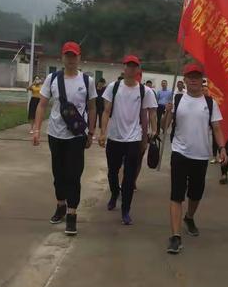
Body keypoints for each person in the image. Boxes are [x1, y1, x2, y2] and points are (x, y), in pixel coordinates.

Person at [32, 41, 97, 236]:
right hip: (55, 134)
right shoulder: (52, 78)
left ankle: (72, 214)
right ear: (62, 57)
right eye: (67, 55)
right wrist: (36, 129)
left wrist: (91, 132)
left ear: (79, 57)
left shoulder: (87, 81)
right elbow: (42, 105)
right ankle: (60, 205)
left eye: (74, 55)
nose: (70, 59)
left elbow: (93, 107)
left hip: (76, 136)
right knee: (58, 174)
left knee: (74, 175)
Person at [164, 64, 226, 254]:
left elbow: (216, 128)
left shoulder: (210, 103)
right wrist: (167, 112)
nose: (193, 79)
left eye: (197, 76)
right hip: (179, 153)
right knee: (176, 194)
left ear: (202, 80)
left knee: (196, 194)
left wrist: (222, 148)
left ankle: (189, 217)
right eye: (190, 76)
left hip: (201, 155)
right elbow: (164, 126)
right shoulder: (177, 99)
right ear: (184, 79)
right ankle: (175, 236)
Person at [99, 55, 157, 225]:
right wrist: (103, 132)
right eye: (128, 66)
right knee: (112, 172)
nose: (131, 69)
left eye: (135, 66)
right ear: (124, 68)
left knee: (129, 177)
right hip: (115, 137)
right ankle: (114, 193)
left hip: (133, 139)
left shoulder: (144, 91)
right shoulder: (113, 87)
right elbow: (106, 111)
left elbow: (151, 112)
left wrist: (154, 129)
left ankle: (126, 209)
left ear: (138, 69)